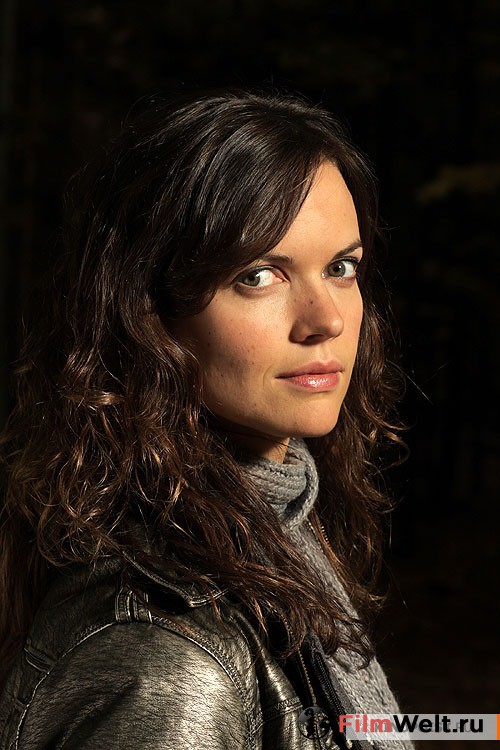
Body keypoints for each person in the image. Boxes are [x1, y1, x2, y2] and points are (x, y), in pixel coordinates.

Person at [0, 89, 411, 749]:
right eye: (259, 275)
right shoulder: (167, 663)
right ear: (149, 312)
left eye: (341, 268)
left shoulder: (279, 535)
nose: (327, 320)